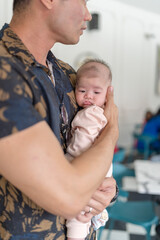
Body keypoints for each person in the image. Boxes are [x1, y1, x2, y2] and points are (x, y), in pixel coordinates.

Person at [0, 0, 119, 239]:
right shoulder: (5, 72)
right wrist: (113, 130)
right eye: (83, 2)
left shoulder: (69, 74)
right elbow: (69, 196)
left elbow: (90, 149)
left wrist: (108, 188)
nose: (88, 15)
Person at [65, 59, 113, 240]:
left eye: (96, 92)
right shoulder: (102, 112)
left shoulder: (90, 114)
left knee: (78, 213)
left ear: (108, 92)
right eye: (82, 90)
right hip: (102, 165)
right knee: (86, 208)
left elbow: (80, 147)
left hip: (84, 162)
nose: (88, 96)